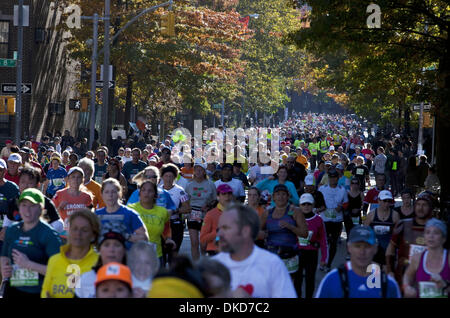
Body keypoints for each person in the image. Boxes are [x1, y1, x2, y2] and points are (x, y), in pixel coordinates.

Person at [213, 204, 297, 298]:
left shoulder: (272, 265)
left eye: (225, 228)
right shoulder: (214, 266)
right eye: (219, 229)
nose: (219, 234)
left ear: (245, 231)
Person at [0, 189, 61, 298]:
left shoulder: (49, 234)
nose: (27, 210)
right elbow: (4, 256)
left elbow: (58, 271)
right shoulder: (12, 230)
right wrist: (4, 267)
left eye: (32, 206)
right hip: (13, 289)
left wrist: (29, 265)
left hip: (38, 292)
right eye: (23, 205)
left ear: (41, 208)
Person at [315, 225, 401, 298]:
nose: (362, 252)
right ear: (349, 248)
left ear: (375, 249)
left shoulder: (388, 284)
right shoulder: (332, 279)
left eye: (367, 246)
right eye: (357, 246)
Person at [41, 209, 100, 298]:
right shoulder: (54, 260)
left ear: (93, 236)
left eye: (84, 230)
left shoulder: (100, 263)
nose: (78, 233)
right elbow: (45, 291)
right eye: (74, 228)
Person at [385, 193, 435, 285]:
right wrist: (390, 270)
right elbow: (391, 249)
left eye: (424, 205)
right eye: (418, 204)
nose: (421, 208)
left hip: (429, 276)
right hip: (403, 274)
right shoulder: (403, 225)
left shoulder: (438, 229)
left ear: (431, 208)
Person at [260, 184, 308, 278]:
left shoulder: (295, 211)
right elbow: (258, 232)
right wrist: (262, 234)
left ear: (287, 196)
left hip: (290, 257)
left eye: (283, 194)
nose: (280, 197)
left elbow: (304, 234)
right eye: (278, 194)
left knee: (289, 289)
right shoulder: (267, 213)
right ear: (273, 197)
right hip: (272, 257)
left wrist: (290, 227)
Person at [75, 221, 128, 298]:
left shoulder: (134, 279)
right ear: (99, 249)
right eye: (106, 245)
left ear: (124, 250)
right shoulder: (85, 279)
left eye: (117, 245)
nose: (111, 250)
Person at [5, 165, 63, 233]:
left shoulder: (46, 202)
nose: (26, 186)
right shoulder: (13, 202)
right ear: (19, 183)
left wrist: (44, 235)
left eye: (30, 183)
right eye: (23, 182)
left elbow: (59, 224)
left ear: (37, 185)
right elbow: (7, 224)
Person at [128, 180, 174, 265]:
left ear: (155, 195)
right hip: (135, 255)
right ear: (139, 193)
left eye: (150, 191)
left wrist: (168, 239)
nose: (146, 193)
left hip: (156, 255)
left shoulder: (162, 211)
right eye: (143, 190)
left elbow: (166, 228)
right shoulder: (130, 209)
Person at [95, 178, 148, 250]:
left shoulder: (130, 214)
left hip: (126, 257)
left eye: (113, 192)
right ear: (102, 194)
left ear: (119, 193)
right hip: (103, 258)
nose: (110, 195)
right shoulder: (96, 215)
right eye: (107, 192)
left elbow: (144, 237)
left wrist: (125, 236)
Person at [403, 218, 450, 298]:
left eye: (436, 233)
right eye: (427, 232)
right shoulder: (417, 257)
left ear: (443, 238)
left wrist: (445, 285)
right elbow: (407, 276)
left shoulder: (448, 258)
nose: (431, 236)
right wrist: (406, 287)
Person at [295, 193, 328, 298]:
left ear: (313, 205)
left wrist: (324, 258)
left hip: (311, 254)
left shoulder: (318, 220)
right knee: (297, 280)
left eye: (308, 204)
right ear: (299, 205)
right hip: (297, 254)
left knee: (310, 280)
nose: (306, 206)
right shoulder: (294, 218)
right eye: (303, 204)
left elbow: (323, 240)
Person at [185, 161, 217, 261]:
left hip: (206, 215)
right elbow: (185, 200)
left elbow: (215, 200)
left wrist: (209, 205)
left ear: (204, 172)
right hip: (193, 214)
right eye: (196, 170)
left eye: (200, 170)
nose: (198, 172)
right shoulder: (189, 185)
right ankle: (196, 266)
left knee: (203, 244)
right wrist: (186, 211)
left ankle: (204, 263)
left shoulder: (210, 184)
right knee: (194, 243)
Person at [319, 168, 349, 272]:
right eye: (330, 177)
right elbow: (317, 201)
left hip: (337, 220)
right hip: (325, 220)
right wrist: (320, 207)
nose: (332, 179)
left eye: (334, 177)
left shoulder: (342, 189)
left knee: (334, 242)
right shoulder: (322, 189)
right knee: (325, 242)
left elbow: (346, 203)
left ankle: (329, 263)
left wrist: (341, 207)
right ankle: (323, 261)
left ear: (337, 178)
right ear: (328, 178)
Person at [159, 163, 190, 263]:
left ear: (175, 177)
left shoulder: (180, 191)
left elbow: (187, 208)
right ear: (162, 177)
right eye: (166, 176)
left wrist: (175, 211)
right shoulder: (157, 191)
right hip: (161, 225)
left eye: (171, 176)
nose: (168, 179)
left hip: (175, 225)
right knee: (162, 254)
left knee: (173, 253)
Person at [364, 190, 400, 266]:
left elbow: (398, 234)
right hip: (374, 251)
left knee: (388, 274)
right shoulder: (371, 215)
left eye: (389, 201)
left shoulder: (395, 215)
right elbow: (365, 232)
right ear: (378, 200)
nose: (386, 203)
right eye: (384, 201)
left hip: (389, 250)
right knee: (372, 275)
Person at [52, 167, 93, 233]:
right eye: (73, 177)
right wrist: (60, 208)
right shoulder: (59, 194)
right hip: (63, 232)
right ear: (68, 179)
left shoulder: (87, 196)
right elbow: (50, 215)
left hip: (80, 232)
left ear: (82, 180)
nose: (76, 180)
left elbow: (90, 217)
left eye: (78, 177)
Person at [200, 184, 234, 256]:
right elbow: (203, 239)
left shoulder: (238, 213)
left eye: (229, 193)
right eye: (224, 194)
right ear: (218, 197)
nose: (227, 196)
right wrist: (217, 232)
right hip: (215, 251)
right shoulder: (210, 214)